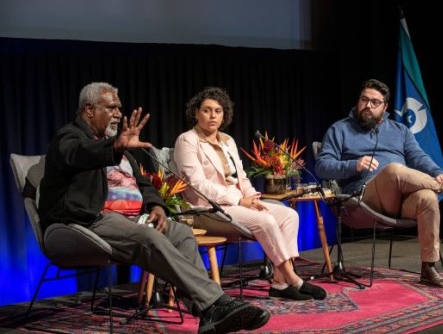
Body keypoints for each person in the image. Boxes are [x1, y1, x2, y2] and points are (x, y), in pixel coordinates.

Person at [38, 82, 270, 334]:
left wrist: (156, 206)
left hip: (131, 220)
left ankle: (207, 312)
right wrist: (115, 147)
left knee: (180, 233)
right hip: (87, 221)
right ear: (89, 110)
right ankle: (215, 303)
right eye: (111, 108)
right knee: (148, 237)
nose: (118, 113)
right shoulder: (69, 138)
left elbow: (143, 183)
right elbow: (77, 154)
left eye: (119, 108)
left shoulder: (119, 148)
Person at [315, 78, 443, 288]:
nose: (368, 106)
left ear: (385, 107)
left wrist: (439, 174)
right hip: (362, 201)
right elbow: (322, 166)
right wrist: (354, 165)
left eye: (375, 102)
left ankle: (428, 267)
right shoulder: (340, 129)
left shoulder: (399, 130)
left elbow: (419, 157)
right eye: (364, 100)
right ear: (358, 101)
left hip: (399, 202)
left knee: (427, 198)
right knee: (394, 170)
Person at [174, 87, 327, 301]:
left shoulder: (227, 140)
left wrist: (252, 198)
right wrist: (239, 199)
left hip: (237, 205)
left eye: (218, 111)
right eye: (207, 110)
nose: (213, 116)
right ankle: (294, 279)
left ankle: (280, 283)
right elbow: (198, 184)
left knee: (289, 216)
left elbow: (242, 177)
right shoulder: (187, 140)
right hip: (207, 210)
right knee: (266, 221)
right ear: (196, 113)